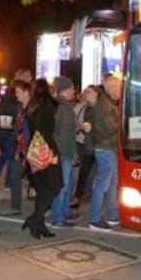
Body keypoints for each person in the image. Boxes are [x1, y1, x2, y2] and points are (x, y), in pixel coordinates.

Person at [22, 78, 62, 239]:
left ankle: (39, 226)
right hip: (44, 148)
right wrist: (51, 153)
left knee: (43, 187)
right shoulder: (46, 106)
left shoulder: (32, 106)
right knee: (54, 186)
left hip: (34, 148)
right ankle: (35, 219)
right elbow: (44, 130)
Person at [85, 75, 122, 232]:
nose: (120, 90)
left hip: (106, 147)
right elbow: (109, 128)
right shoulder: (105, 105)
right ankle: (95, 219)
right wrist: (124, 124)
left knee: (111, 183)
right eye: (117, 87)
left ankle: (113, 215)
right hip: (105, 148)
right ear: (110, 87)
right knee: (103, 184)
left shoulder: (104, 102)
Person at [0, 68, 32, 190]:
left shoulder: (7, 93)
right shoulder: (18, 94)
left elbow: (0, 109)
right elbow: (17, 110)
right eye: (29, 77)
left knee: (8, 154)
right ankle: (8, 182)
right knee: (10, 155)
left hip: (2, 128)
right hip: (11, 129)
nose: (31, 80)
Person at [50, 76, 81, 227]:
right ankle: (57, 218)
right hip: (61, 152)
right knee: (62, 186)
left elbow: (71, 133)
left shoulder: (66, 106)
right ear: (65, 90)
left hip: (67, 151)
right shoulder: (60, 107)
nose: (74, 92)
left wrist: (74, 153)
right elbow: (53, 130)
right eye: (71, 89)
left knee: (67, 185)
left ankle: (64, 213)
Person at [0, 80, 32, 216]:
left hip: (33, 148)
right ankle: (15, 207)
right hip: (20, 149)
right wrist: (11, 128)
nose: (16, 95)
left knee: (39, 180)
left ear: (26, 93)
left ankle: (48, 207)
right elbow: (18, 126)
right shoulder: (19, 108)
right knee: (15, 176)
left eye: (18, 92)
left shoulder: (34, 108)